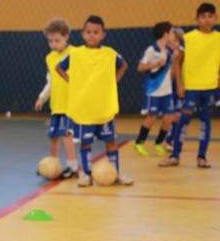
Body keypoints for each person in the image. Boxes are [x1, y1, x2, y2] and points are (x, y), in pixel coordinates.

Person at [56, 15, 133, 187]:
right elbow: (59, 67)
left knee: (111, 141)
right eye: (88, 32)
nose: (92, 35)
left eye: (96, 32)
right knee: (86, 143)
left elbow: (124, 65)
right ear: (83, 34)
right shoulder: (75, 54)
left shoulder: (110, 53)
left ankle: (116, 173)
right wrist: (72, 81)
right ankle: (87, 175)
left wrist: (113, 81)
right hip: (84, 108)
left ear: (103, 35)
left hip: (104, 106)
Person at [160, 3, 220, 168]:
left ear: (216, 18)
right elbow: (178, 61)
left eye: (210, 16)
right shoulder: (188, 39)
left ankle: (202, 157)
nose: (206, 20)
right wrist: (179, 83)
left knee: (205, 122)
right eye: (203, 16)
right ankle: (175, 155)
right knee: (183, 120)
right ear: (197, 19)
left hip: (210, 88)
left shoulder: (218, 39)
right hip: (192, 88)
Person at [34, 18, 78, 178]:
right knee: (53, 136)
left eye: (57, 40)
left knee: (67, 135)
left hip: (70, 105)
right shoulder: (50, 57)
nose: (54, 44)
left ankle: (73, 167)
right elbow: (50, 81)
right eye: (50, 41)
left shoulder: (75, 53)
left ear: (66, 36)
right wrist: (42, 97)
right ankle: (51, 165)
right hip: (56, 105)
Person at [133, 22, 177, 157]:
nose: (173, 35)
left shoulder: (170, 50)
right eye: (172, 32)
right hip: (153, 90)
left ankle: (159, 143)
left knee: (169, 118)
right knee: (151, 117)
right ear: (165, 34)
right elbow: (140, 67)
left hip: (167, 91)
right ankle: (139, 143)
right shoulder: (151, 50)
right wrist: (156, 63)